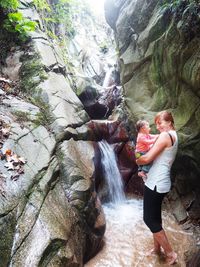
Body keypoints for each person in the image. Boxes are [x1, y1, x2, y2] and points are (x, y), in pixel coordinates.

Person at [136, 110, 178, 265]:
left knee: (148, 219)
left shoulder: (165, 136)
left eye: (160, 123)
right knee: (156, 218)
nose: (158, 127)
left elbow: (146, 158)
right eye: (156, 124)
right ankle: (157, 249)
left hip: (156, 183)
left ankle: (170, 253)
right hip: (160, 181)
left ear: (169, 121)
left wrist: (137, 160)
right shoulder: (174, 135)